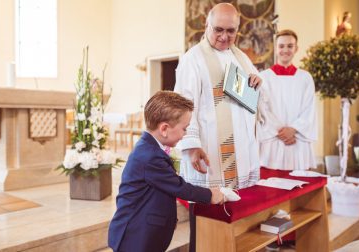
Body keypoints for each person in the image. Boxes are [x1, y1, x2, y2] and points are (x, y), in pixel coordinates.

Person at [174, 3, 262, 251]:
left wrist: (257, 84)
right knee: (205, 225)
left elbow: (253, 103)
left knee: (238, 223)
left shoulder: (241, 58)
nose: (224, 37)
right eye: (218, 29)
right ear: (206, 26)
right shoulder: (193, 59)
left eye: (231, 31)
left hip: (240, 154)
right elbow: (182, 106)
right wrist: (191, 146)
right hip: (209, 154)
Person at [108, 91, 224, 252]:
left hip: (143, 233)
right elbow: (179, 187)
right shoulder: (149, 156)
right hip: (135, 236)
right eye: (184, 129)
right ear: (164, 129)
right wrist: (211, 195)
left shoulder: (151, 148)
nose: (184, 135)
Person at [258, 29, 317, 172]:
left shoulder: (305, 78)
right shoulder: (263, 77)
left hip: (297, 140)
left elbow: (309, 109)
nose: (285, 50)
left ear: (296, 48)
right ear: (276, 48)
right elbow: (261, 110)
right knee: (270, 187)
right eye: (281, 46)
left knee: (299, 187)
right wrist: (282, 132)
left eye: (290, 46)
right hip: (272, 140)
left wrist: (293, 130)